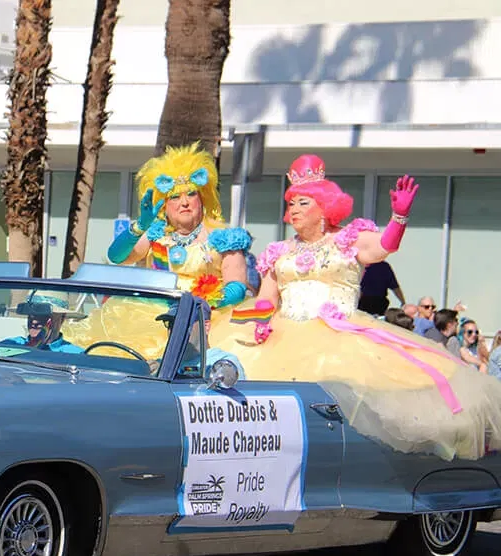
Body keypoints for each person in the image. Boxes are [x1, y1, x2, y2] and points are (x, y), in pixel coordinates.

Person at [209, 154, 501, 462]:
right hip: (284, 336)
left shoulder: (348, 239)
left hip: (341, 335)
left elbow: (384, 246)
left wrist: (399, 217)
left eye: (303, 202)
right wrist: (255, 322)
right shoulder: (279, 250)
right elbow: (267, 298)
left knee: (356, 406)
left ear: (324, 207)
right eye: (291, 202)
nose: (293, 209)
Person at [106, 142, 254, 318]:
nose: (185, 202)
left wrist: (202, 303)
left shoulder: (223, 238)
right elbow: (116, 257)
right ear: (164, 205)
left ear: (202, 198)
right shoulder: (155, 235)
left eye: (191, 194)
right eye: (175, 197)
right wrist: (140, 226)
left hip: (208, 320)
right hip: (153, 318)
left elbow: (237, 287)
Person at [0, 292, 84, 353]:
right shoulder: (10, 345)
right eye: (31, 314)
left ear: (62, 318)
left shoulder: (76, 355)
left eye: (43, 315)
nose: (34, 321)